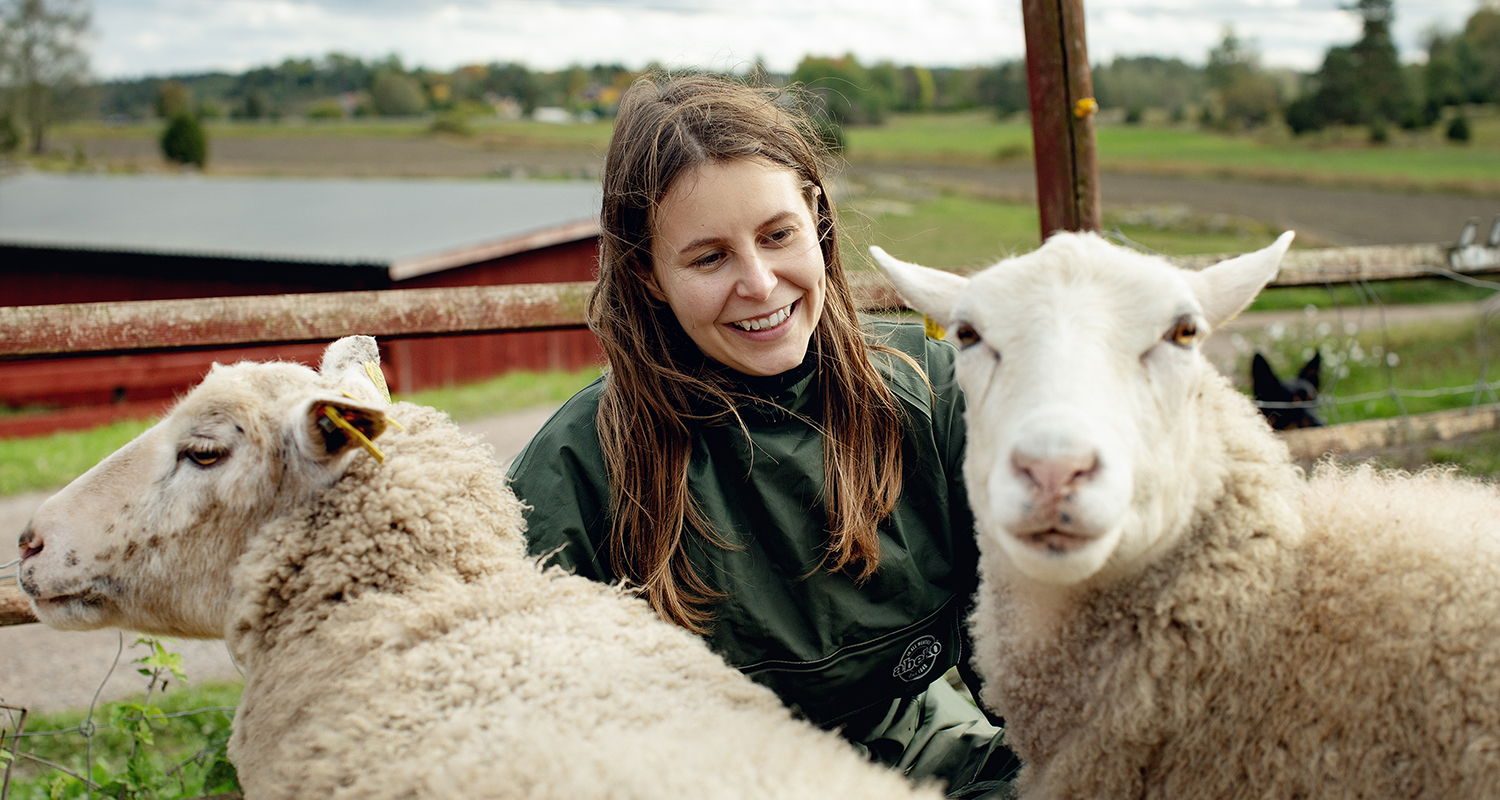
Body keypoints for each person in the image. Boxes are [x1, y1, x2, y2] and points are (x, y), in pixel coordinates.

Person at [506, 73, 1019, 799]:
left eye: (778, 236)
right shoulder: (578, 471)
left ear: (817, 217)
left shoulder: (936, 397)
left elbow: (1030, 661)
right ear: (648, 274)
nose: (759, 282)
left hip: (918, 761)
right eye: (709, 257)